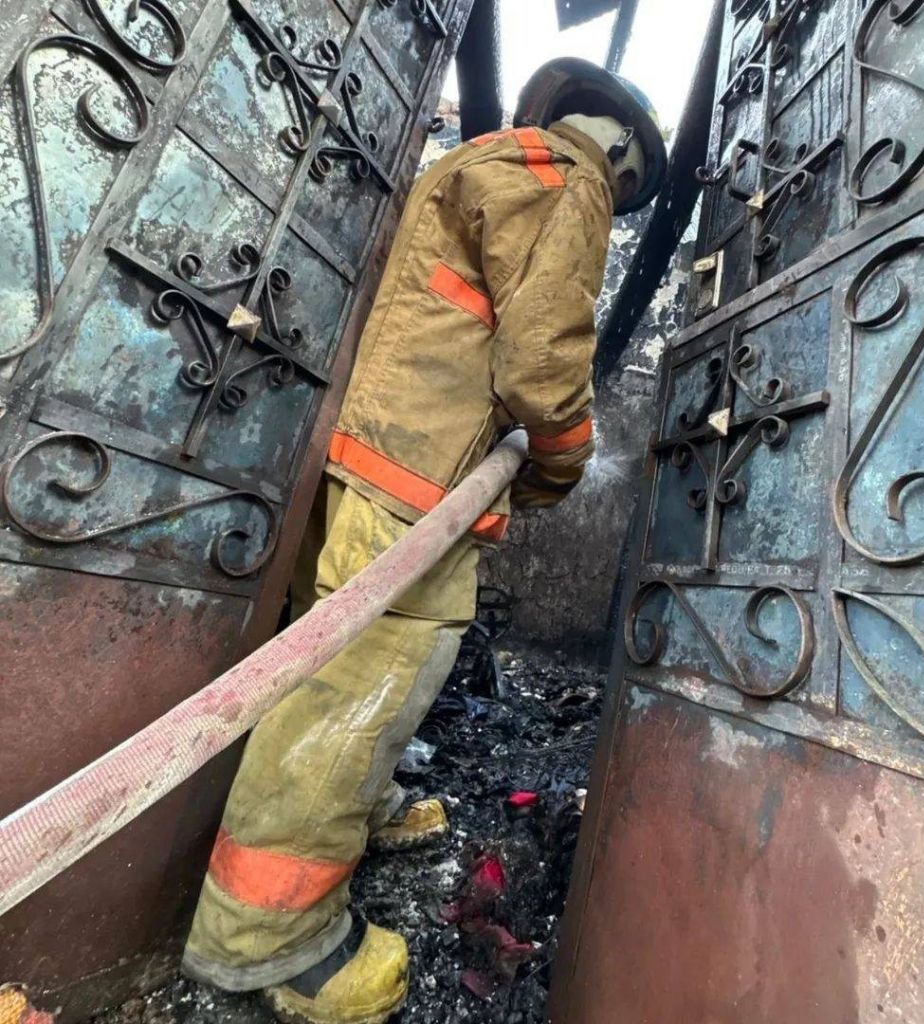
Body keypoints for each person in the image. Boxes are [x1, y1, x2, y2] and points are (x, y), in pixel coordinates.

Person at [182, 56, 667, 1024]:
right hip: (417, 489)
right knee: (357, 696)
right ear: (620, 154)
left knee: (342, 675)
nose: (613, 202)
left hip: (370, 461)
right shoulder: (568, 179)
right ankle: (270, 942)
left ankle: (358, 815)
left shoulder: (477, 162)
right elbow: (542, 365)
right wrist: (558, 468)